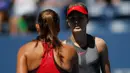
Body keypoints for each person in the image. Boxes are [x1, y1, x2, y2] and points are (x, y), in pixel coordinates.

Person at [64, 2, 111, 73]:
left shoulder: (100, 44)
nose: (76, 21)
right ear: (68, 22)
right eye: (72, 18)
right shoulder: (62, 47)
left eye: (80, 17)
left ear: (87, 20)